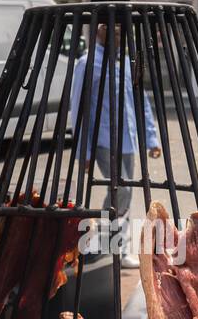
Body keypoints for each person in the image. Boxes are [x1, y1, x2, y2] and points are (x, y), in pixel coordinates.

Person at [69, 23, 161, 267]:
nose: (119, 34)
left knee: (125, 193)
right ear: (100, 30)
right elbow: (78, 108)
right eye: (114, 29)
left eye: (122, 30)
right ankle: (102, 240)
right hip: (103, 140)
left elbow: (141, 101)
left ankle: (117, 250)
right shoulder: (87, 63)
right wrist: (84, 151)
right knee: (122, 190)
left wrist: (151, 137)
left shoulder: (126, 63)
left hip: (128, 139)